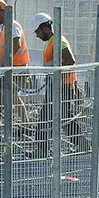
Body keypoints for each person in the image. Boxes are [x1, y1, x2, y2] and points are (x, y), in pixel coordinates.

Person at [31, 12, 87, 154]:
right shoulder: (53, 41)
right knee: (60, 117)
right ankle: (83, 145)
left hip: (62, 86)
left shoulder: (58, 41)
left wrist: (53, 69)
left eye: (37, 32)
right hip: (58, 85)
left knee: (50, 117)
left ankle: (42, 149)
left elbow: (70, 60)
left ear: (45, 28)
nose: (37, 35)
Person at [0, 0, 31, 123]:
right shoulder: (7, 27)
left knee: (6, 96)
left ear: (1, 12)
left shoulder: (12, 26)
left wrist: (5, 60)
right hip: (13, 69)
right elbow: (9, 47)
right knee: (7, 97)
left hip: (16, 69)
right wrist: (0, 56)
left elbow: (16, 44)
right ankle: (24, 123)